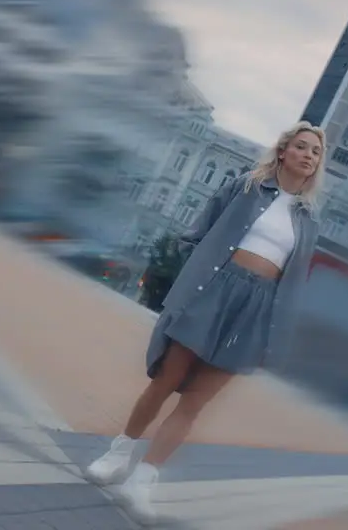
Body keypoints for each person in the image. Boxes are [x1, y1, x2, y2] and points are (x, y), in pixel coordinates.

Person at [85, 121, 325, 523]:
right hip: (215, 289)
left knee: (195, 403)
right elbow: (196, 233)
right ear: (283, 151)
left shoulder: (308, 219)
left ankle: (142, 481)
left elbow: (295, 280)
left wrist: (273, 331)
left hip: (256, 307)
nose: (308, 156)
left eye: (315, 153)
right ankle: (119, 453)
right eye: (302, 147)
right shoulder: (246, 187)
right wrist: (197, 277)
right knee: (165, 381)